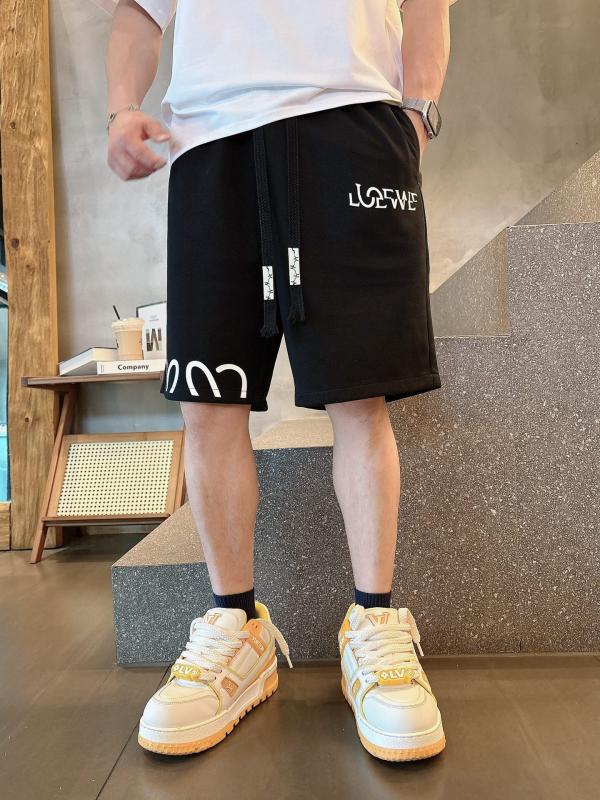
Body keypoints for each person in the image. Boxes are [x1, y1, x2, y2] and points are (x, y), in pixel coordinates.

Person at [106, 0, 452, 762]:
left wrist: (418, 113)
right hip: (208, 140)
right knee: (208, 400)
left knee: (360, 394)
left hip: (355, 123)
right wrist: (122, 107)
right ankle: (237, 627)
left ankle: (376, 623)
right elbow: (138, 14)